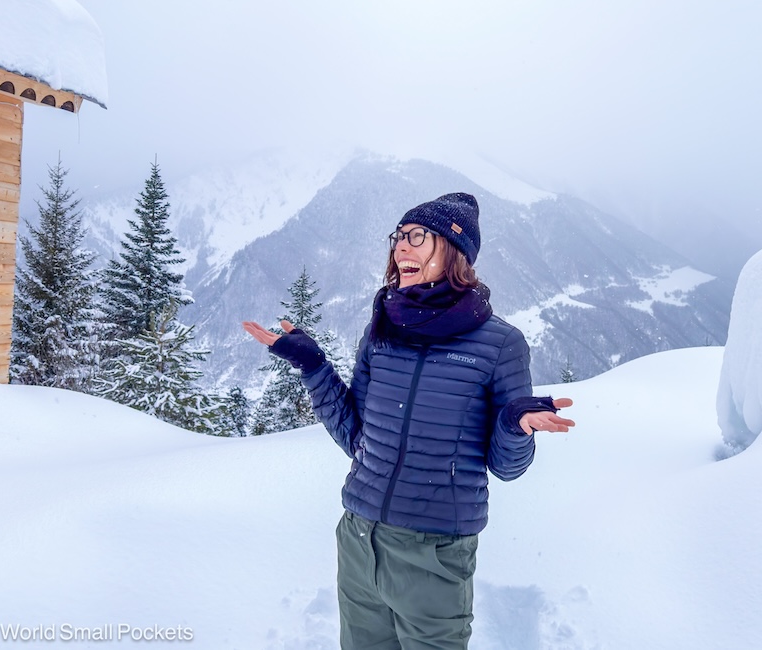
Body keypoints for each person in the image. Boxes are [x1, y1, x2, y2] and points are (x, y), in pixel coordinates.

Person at [242, 192, 575, 650]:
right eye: (398, 236)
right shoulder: (382, 330)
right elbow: (357, 437)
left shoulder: (500, 344)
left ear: (455, 251)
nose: (401, 246)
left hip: (434, 554)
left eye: (417, 236)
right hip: (359, 541)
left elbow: (507, 467)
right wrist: (313, 365)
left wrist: (515, 427)